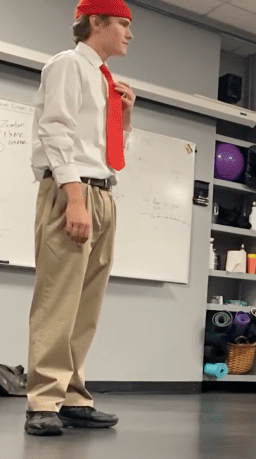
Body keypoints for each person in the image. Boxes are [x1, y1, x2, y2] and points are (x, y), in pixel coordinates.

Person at [26, 0, 135, 437]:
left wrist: (126, 117)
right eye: (123, 24)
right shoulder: (67, 65)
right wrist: (74, 199)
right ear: (96, 21)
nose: (129, 34)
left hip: (103, 192)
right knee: (58, 300)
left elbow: (109, 153)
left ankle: (72, 397)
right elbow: (54, 130)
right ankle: (43, 400)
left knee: (86, 305)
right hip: (74, 190)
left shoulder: (106, 81)